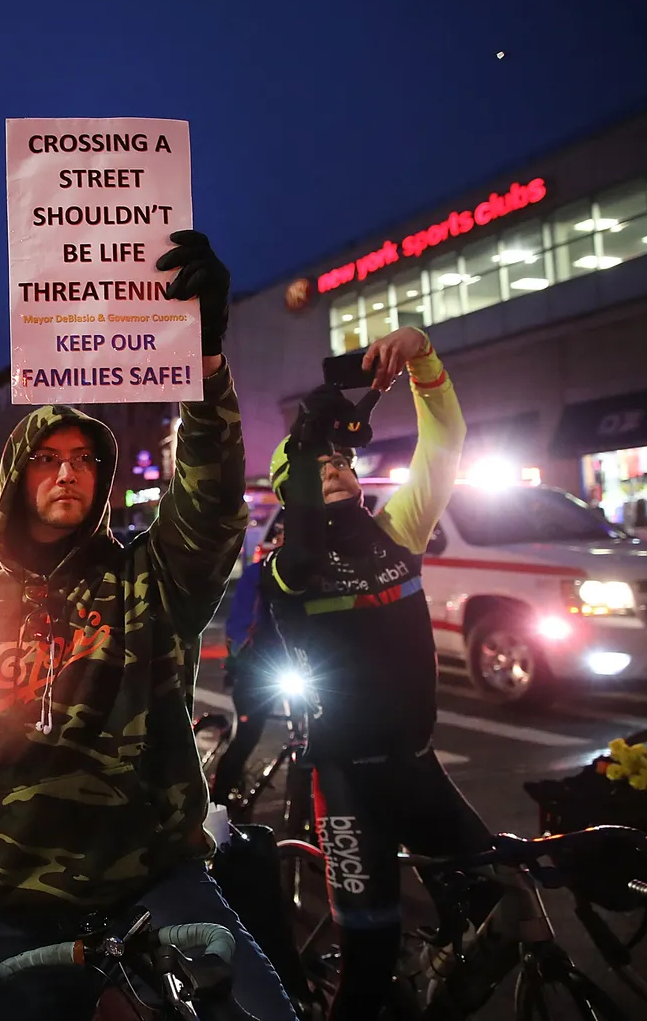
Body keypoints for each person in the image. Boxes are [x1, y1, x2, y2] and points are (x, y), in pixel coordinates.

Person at [0, 232, 294, 1021]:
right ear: (19, 478)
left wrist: (205, 362)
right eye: (47, 457)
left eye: (84, 458)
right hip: (14, 903)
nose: (68, 470)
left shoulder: (147, 580)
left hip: (154, 880)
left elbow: (212, 511)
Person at [263, 326, 490, 1020]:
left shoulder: (397, 529)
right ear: (290, 481)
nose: (334, 464)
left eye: (340, 457)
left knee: (495, 901)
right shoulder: (283, 566)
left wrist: (421, 353)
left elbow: (444, 445)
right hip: (348, 777)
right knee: (369, 960)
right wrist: (303, 444)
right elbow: (299, 557)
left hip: (418, 765)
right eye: (316, 462)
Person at [210, 523, 286, 808]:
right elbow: (241, 623)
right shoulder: (259, 574)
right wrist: (241, 658)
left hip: (297, 667)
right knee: (247, 738)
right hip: (257, 668)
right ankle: (218, 810)